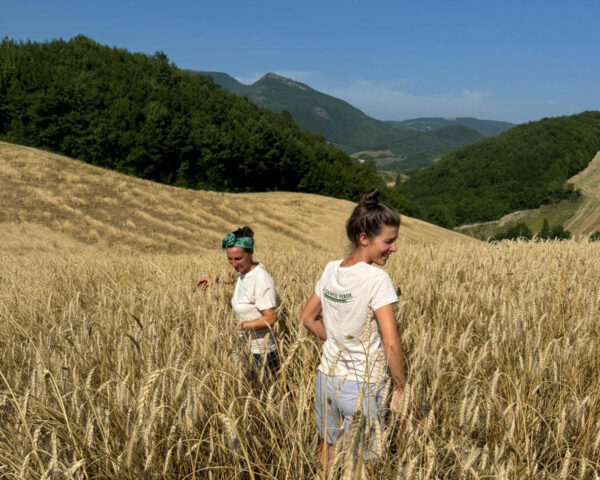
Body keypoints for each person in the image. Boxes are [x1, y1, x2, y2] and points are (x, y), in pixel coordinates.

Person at [299, 189, 408, 476]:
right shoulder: (377, 279)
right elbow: (391, 343)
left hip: (326, 381)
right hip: (363, 385)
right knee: (365, 466)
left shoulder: (331, 269)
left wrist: (336, 340)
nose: (393, 248)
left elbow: (307, 318)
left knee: (327, 451)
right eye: (389, 241)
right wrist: (400, 388)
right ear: (364, 239)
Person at [198, 226, 279, 376]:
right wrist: (215, 280)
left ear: (251, 252)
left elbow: (270, 318)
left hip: (262, 355)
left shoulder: (261, 279)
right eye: (230, 259)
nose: (234, 264)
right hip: (247, 349)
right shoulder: (244, 272)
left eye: (238, 259)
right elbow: (239, 280)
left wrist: (237, 327)